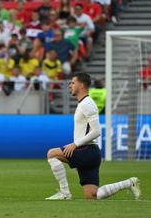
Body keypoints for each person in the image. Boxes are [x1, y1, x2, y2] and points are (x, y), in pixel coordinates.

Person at [45, 72, 140, 200]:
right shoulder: (83, 103)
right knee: (92, 196)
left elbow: (96, 131)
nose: (70, 85)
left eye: (73, 82)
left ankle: (64, 193)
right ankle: (129, 183)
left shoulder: (87, 104)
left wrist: (75, 144)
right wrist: (74, 144)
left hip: (87, 151)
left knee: (52, 154)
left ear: (82, 85)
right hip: (89, 152)